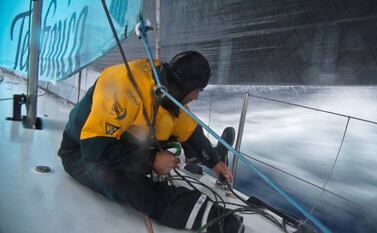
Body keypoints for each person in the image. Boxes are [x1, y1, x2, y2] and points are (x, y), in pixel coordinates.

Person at [58, 51, 245, 232]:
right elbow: (94, 150)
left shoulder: (168, 91)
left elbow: (190, 130)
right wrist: (152, 160)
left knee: (179, 138)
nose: (196, 97)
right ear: (187, 86)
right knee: (125, 183)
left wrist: (213, 161)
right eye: (197, 90)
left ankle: (199, 158)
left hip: (123, 142)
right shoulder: (123, 86)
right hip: (79, 150)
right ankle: (210, 217)